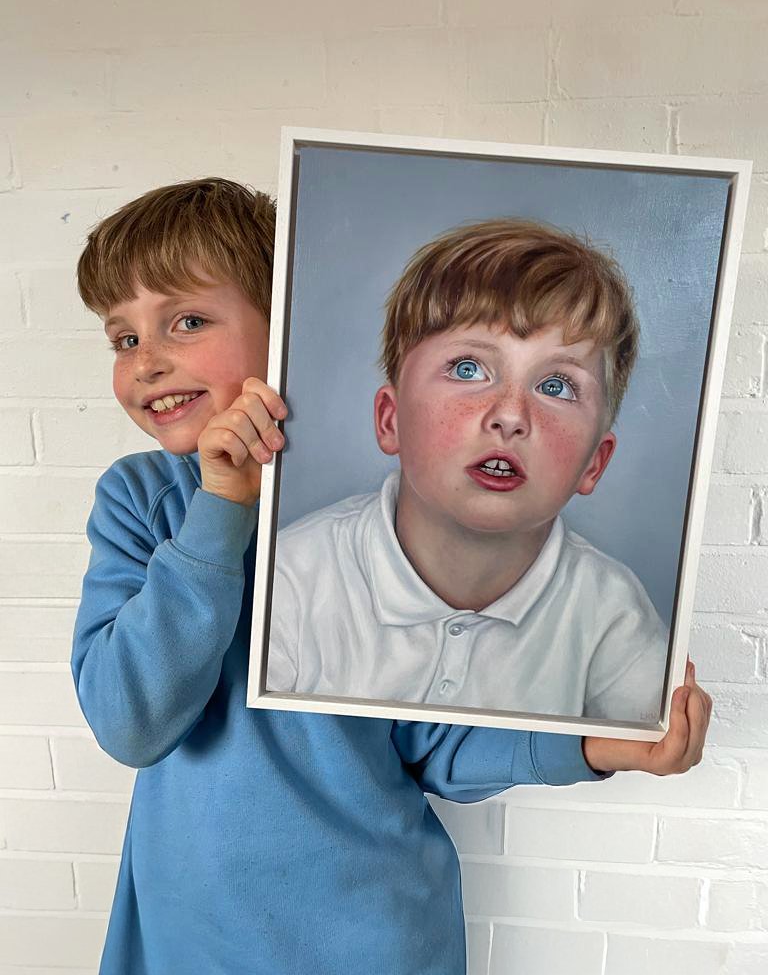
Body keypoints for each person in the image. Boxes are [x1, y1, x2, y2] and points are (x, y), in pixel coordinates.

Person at [71, 177, 711, 975]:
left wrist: (593, 746)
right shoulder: (139, 503)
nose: (149, 362)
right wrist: (219, 507)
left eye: (187, 321)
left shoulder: (384, 528)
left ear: (286, 331)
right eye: (122, 339)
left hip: (377, 943)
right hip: (188, 946)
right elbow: (130, 722)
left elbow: (434, 740)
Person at [267, 219, 666, 721]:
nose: (511, 415)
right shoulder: (293, 578)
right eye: (468, 369)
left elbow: (633, 751)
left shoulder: (615, 615)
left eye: (557, 386)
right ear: (392, 420)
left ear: (594, 463)